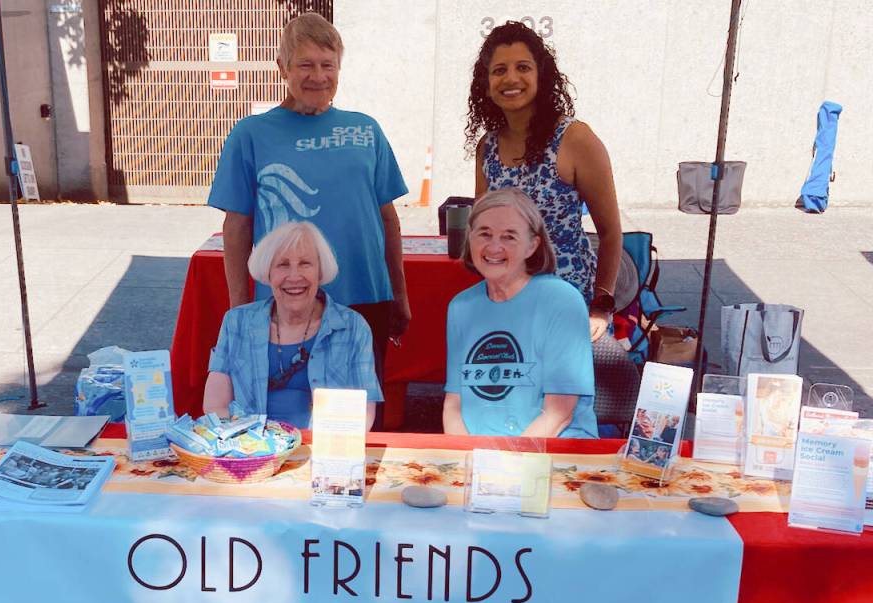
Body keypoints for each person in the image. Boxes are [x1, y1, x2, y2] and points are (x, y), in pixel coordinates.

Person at [208, 11, 409, 386]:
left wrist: (399, 293)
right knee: (284, 409)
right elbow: (237, 226)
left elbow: (387, 218)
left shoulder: (367, 130)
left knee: (358, 415)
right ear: (282, 67)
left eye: (327, 65)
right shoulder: (250, 134)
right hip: (286, 299)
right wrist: (241, 308)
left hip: (366, 297)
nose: (318, 76)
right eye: (305, 64)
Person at [466, 20, 622, 342]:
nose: (511, 79)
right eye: (499, 70)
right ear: (486, 83)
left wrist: (601, 307)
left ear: (541, 75)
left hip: (566, 303)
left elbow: (610, 233)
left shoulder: (576, 139)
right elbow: (484, 231)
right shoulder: (488, 147)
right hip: (505, 301)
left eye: (523, 67)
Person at [443, 189, 597, 439]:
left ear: (532, 245)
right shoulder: (461, 306)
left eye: (509, 237)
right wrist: (464, 458)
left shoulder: (562, 301)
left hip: (551, 454)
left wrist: (504, 467)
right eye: (484, 233)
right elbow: (453, 404)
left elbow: (559, 413)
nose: (494, 246)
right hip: (479, 457)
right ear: (470, 238)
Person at [203, 221, 381, 431]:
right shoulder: (236, 322)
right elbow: (216, 405)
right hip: (249, 447)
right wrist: (243, 448)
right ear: (268, 273)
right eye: (283, 265)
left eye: (305, 263)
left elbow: (363, 410)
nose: (295, 276)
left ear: (320, 271)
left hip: (322, 447)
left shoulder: (353, 327)